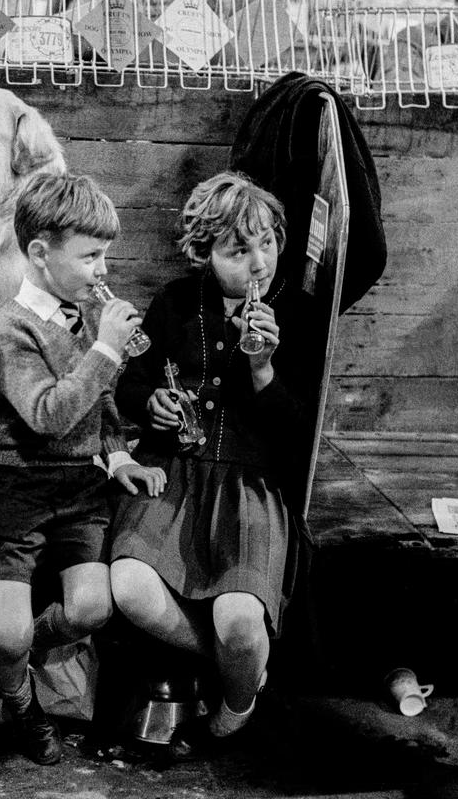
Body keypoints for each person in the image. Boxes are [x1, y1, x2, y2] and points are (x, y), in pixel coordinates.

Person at [0, 172, 166, 765]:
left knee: (91, 609)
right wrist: (104, 350)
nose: (104, 269)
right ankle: (18, 692)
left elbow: (96, 404)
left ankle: (14, 658)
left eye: (107, 255)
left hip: (79, 487)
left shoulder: (80, 312)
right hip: (12, 490)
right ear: (41, 255)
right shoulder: (10, 326)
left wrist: (119, 452)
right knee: (10, 634)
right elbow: (48, 414)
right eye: (92, 256)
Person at [109, 171, 310, 742]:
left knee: (242, 624)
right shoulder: (175, 303)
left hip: (250, 483)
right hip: (169, 473)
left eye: (267, 242)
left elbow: (299, 432)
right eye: (238, 250)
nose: (259, 263)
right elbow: (130, 385)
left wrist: (264, 368)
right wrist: (152, 403)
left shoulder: (293, 314)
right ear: (204, 253)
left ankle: (237, 704)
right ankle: (227, 663)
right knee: (128, 586)